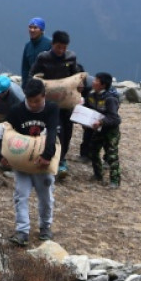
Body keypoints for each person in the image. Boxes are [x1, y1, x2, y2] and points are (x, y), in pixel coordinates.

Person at [0, 78, 59, 246]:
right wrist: (0, 154)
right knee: (20, 195)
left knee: (45, 198)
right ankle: (22, 231)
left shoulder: (51, 109)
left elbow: (52, 133)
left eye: (37, 101)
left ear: (44, 96)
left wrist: (47, 155)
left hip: (42, 163)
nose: (34, 104)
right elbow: (5, 131)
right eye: (30, 101)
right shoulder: (17, 110)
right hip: (22, 163)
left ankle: (45, 227)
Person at [28, 30, 82, 176]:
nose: (61, 50)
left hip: (66, 103)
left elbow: (75, 75)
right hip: (50, 104)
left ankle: (62, 158)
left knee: (68, 131)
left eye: (64, 47)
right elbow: (32, 76)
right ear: (52, 44)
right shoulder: (43, 58)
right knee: (57, 131)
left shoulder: (71, 58)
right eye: (58, 47)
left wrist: (79, 85)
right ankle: (54, 159)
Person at [85, 72, 122, 189]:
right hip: (98, 130)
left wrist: (101, 122)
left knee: (111, 156)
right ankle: (98, 175)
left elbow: (115, 119)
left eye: (96, 80)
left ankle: (115, 181)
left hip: (111, 132)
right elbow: (87, 108)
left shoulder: (110, 99)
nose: (93, 82)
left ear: (103, 85)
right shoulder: (91, 96)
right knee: (93, 151)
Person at [21, 17, 52, 83]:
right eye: (30, 27)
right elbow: (25, 68)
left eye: (35, 28)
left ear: (41, 30)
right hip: (32, 83)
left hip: (48, 82)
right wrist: (25, 85)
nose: (32, 30)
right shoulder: (28, 46)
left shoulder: (50, 44)